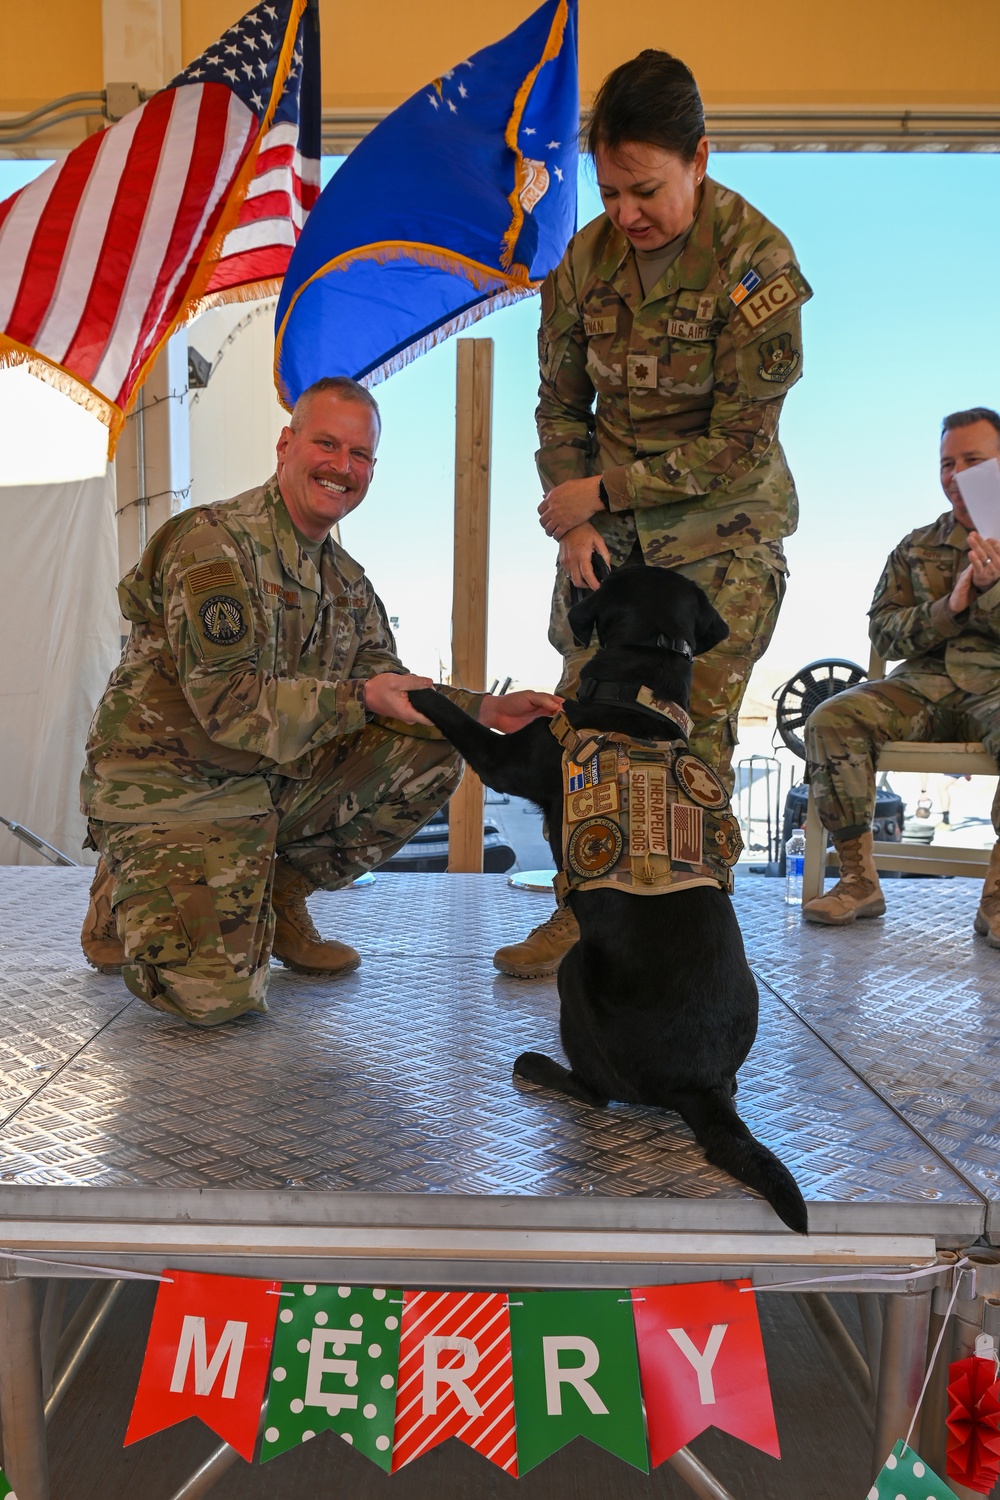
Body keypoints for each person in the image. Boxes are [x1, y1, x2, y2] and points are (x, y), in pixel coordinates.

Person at [80, 378, 560, 1025]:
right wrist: (361, 696)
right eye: (327, 444)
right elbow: (230, 705)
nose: (342, 466)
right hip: (173, 786)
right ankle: (128, 875)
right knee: (216, 1001)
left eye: (360, 455)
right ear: (286, 445)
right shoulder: (214, 545)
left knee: (431, 747)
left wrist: (482, 710)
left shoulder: (346, 583)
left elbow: (388, 686)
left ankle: (278, 891)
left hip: (264, 781)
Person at [494, 48, 812, 978]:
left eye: (647, 190)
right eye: (610, 190)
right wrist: (578, 522)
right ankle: (584, 914)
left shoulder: (759, 267)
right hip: (611, 543)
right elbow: (559, 406)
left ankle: (690, 943)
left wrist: (606, 490)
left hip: (725, 538)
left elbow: (740, 445)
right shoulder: (583, 263)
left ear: (700, 158)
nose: (627, 213)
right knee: (585, 726)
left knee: (691, 744)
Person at [802, 407, 1000, 941]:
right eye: (946, 463)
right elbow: (883, 635)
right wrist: (951, 605)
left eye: (973, 461)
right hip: (922, 689)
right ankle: (858, 881)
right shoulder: (916, 547)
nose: (956, 475)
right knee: (831, 718)